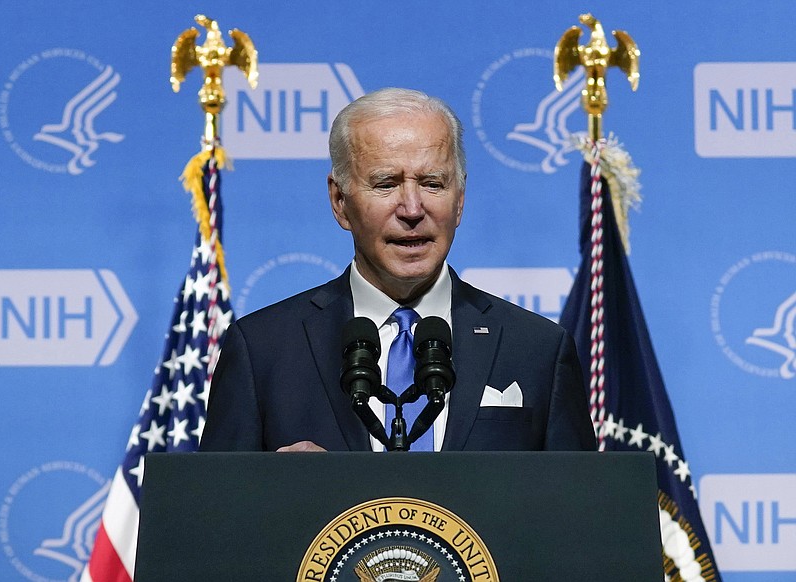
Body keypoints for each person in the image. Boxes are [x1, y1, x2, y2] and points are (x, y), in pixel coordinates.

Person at [200, 87, 596, 453]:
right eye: (386, 184)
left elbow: (580, 514)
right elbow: (214, 518)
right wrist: (272, 498)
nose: (411, 209)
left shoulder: (537, 350)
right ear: (340, 202)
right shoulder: (262, 349)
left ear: (459, 202)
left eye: (432, 183)